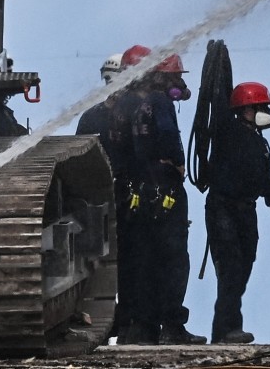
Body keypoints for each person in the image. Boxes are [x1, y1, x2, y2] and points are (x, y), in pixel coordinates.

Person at [114, 45, 204, 346]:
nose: (179, 84)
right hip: (165, 189)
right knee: (175, 260)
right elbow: (168, 137)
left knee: (146, 260)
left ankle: (144, 327)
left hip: (141, 190)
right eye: (176, 77)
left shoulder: (136, 105)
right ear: (165, 78)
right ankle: (173, 327)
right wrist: (178, 164)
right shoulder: (161, 103)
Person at [206, 81, 270, 344]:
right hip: (224, 208)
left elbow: (266, 178)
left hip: (245, 210)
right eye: (259, 107)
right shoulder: (228, 134)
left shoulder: (259, 142)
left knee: (243, 266)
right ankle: (227, 329)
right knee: (230, 268)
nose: (265, 112)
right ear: (244, 110)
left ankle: (226, 327)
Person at [74, 52, 128, 339]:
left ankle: (105, 320)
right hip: (113, 203)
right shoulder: (129, 116)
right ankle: (113, 321)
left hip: (98, 204)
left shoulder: (91, 116)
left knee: (100, 263)